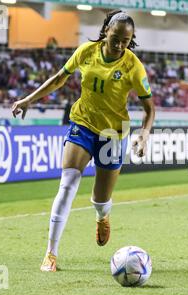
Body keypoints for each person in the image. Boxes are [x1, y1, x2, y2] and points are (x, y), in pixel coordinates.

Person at [11, 10, 155, 272]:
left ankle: (102, 216)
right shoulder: (86, 51)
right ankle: (51, 254)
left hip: (114, 134)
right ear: (106, 32)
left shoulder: (133, 66)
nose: (120, 45)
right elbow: (59, 79)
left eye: (126, 40)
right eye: (116, 39)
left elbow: (149, 108)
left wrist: (144, 134)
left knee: (100, 201)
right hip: (83, 124)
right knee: (67, 184)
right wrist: (28, 99)